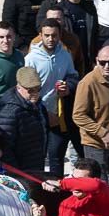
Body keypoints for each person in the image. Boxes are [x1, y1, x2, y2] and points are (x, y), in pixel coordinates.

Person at [73, 46, 109, 202]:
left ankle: (106, 202)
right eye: (102, 62)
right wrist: (102, 133)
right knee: (100, 183)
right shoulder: (87, 83)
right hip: (95, 142)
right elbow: (78, 115)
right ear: (96, 61)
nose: (107, 66)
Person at [26, 19, 81, 175]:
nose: (51, 39)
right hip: (37, 114)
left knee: (56, 154)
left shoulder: (65, 55)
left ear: (60, 35)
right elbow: (27, 90)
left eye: (54, 35)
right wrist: (43, 112)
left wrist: (67, 87)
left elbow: (73, 76)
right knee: (38, 157)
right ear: (40, 36)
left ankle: (58, 191)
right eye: (47, 35)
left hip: (59, 114)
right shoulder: (31, 59)